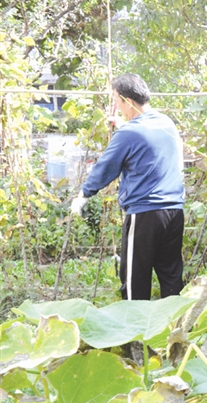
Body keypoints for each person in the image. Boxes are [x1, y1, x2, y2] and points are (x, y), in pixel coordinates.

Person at [71, 73, 185, 301]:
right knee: (171, 276)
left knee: (135, 279)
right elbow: (147, 142)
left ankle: (135, 336)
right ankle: (177, 332)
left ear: (128, 101)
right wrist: (124, 126)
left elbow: (106, 167)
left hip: (145, 215)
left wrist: (83, 195)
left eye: (116, 100)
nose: (116, 106)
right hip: (174, 211)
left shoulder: (128, 133)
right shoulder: (166, 124)